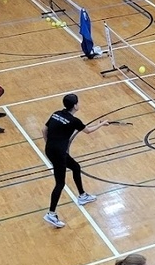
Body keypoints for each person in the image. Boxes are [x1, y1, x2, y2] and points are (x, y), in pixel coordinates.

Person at [41, 94, 109, 228]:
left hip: (50, 149)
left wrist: (50, 144)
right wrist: (101, 124)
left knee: (76, 167)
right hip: (59, 153)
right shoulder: (74, 121)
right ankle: (51, 213)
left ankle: (82, 195)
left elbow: (44, 130)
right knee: (60, 184)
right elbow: (88, 131)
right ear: (75, 106)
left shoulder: (56, 114)